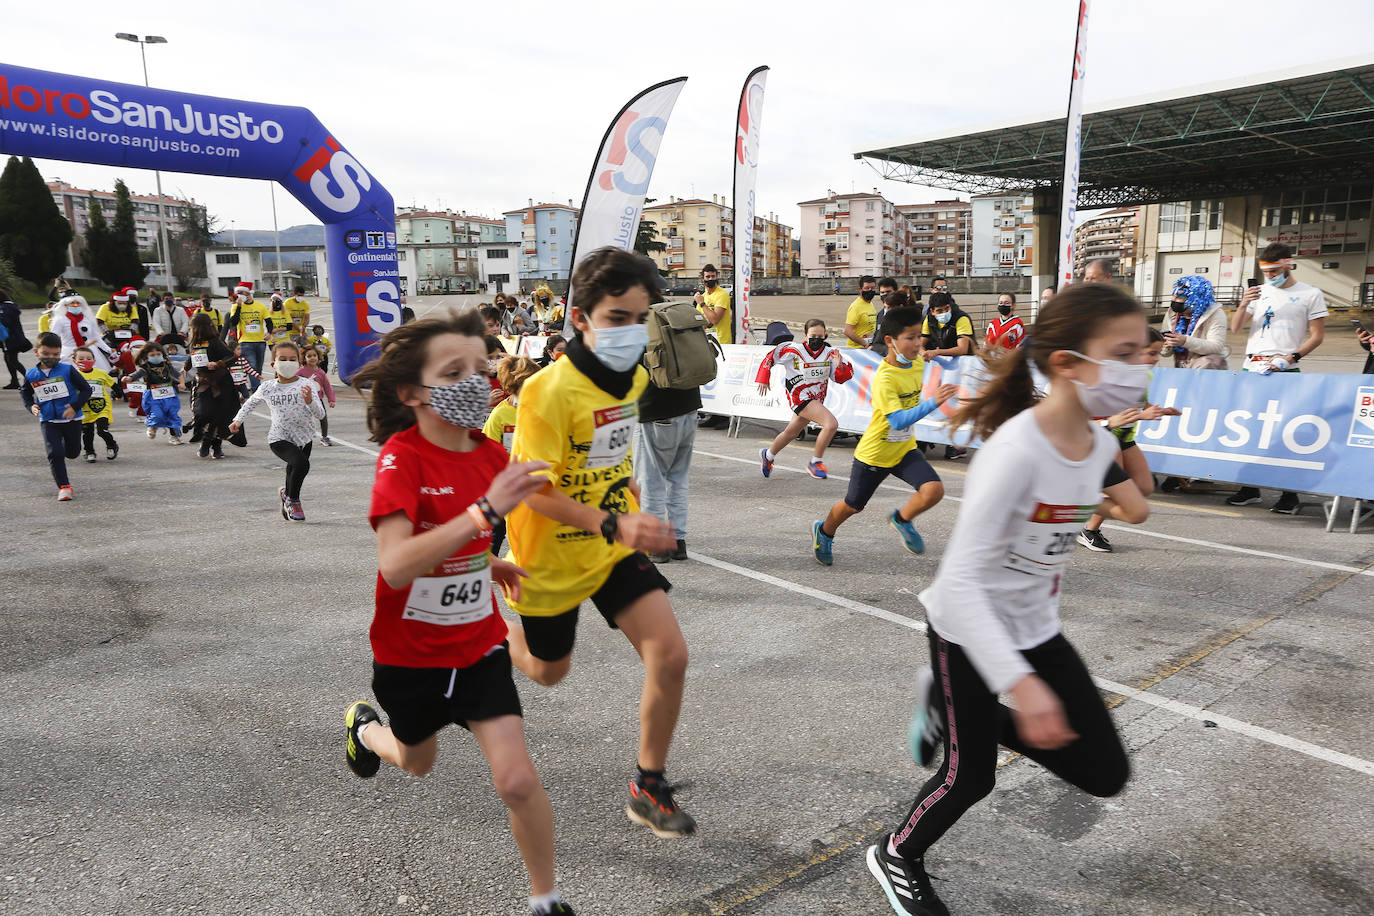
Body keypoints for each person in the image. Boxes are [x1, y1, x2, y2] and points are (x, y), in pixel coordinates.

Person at [868, 283, 1152, 916]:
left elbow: (1139, 504)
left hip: (1035, 628)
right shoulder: (1015, 452)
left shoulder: (1099, 445)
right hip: (966, 628)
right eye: (1126, 354)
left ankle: (948, 707)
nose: (1143, 367)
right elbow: (962, 586)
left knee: (1104, 772)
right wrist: (1023, 690)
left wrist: (1124, 434)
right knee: (969, 777)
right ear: (1067, 364)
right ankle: (896, 853)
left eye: (1144, 351)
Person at [342, 311, 574, 916]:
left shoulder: (491, 456)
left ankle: (545, 902)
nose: (476, 380)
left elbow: (469, 540)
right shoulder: (401, 458)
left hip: (478, 647)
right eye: (455, 372)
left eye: (481, 367)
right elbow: (396, 565)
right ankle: (366, 732)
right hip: (410, 657)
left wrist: (487, 564)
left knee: (517, 780)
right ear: (411, 393)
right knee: (418, 763)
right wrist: (481, 517)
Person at [503, 246, 695, 839]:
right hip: (550, 554)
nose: (631, 332)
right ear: (581, 318)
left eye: (641, 318)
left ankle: (648, 784)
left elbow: (611, 442)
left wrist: (625, 490)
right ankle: (492, 626)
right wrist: (614, 522)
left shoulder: (635, 375)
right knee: (547, 672)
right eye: (617, 318)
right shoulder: (546, 391)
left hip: (610, 543)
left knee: (671, 654)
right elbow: (532, 492)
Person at [812, 307, 958, 567]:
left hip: (903, 449)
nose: (917, 343)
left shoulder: (916, 363)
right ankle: (824, 532)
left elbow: (919, 357)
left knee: (933, 490)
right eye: (910, 338)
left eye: (919, 336)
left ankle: (902, 519)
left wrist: (923, 354)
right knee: (853, 506)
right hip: (874, 454)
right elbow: (899, 420)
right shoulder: (884, 378)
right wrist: (934, 401)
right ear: (890, 341)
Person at [1226, 242, 1326, 514]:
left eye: (1274, 271)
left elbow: (1317, 336)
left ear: (1288, 264)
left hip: (1284, 367)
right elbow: (1236, 329)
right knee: (1250, 429)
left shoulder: (1310, 294)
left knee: (1285, 431)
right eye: (1266, 272)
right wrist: (1244, 302)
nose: (1270, 277)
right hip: (1252, 367)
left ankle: (1288, 493)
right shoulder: (1260, 292)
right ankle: (1250, 488)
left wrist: (1292, 357)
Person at [1076, 329, 1179, 552]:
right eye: (1151, 353)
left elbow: (1140, 403)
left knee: (1143, 487)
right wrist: (1142, 415)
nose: (1155, 359)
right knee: (1119, 495)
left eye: (1158, 354)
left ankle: (1085, 522)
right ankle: (1087, 527)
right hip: (1106, 437)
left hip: (1125, 437)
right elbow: (1089, 417)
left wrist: (1159, 410)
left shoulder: (1145, 376)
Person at [230, 341, 325, 521]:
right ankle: (293, 501)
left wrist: (309, 401)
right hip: (279, 437)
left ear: (299, 363)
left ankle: (286, 494)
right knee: (301, 464)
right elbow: (250, 403)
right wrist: (238, 420)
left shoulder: (306, 385)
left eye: (292, 359)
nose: (288, 363)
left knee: (294, 469)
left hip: (304, 437)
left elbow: (320, 414)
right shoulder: (267, 387)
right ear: (274, 363)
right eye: (283, 359)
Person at [636, 319, 703, 563]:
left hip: (656, 410)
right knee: (678, 477)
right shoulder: (673, 315)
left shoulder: (640, 322)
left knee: (652, 481)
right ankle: (678, 542)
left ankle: (656, 544)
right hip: (689, 405)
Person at [756, 318, 853, 480]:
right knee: (831, 424)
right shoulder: (793, 350)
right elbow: (770, 357)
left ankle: (769, 455)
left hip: (816, 399)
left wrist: (841, 365)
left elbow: (841, 378)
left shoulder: (831, 354)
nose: (816, 340)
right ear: (805, 335)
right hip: (799, 396)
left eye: (820, 337)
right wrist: (763, 377)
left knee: (791, 433)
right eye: (813, 336)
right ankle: (816, 462)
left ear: (826, 336)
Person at [22, 332, 93, 501]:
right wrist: (31, 405)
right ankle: (64, 487)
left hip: (71, 419)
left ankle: (68, 448)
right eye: (46, 354)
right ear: (36, 352)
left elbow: (86, 390)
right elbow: (25, 392)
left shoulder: (67, 370)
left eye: (55, 354)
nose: (51, 358)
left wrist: (75, 407)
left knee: (73, 452)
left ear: (60, 352)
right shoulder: (31, 374)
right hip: (48, 420)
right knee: (54, 453)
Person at [187, 312, 240, 460]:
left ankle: (214, 445)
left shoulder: (215, 341)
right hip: (203, 384)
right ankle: (205, 440)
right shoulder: (194, 343)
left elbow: (231, 356)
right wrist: (185, 367)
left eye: (193, 327)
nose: (191, 330)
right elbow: (192, 357)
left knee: (220, 416)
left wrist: (218, 364)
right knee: (203, 413)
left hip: (221, 384)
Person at [124, 341, 186, 444]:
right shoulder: (145, 368)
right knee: (157, 414)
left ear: (162, 354)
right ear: (146, 356)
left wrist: (182, 383)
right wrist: (128, 378)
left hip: (169, 395)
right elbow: (136, 375)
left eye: (158, 354)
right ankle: (153, 426)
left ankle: (174, 436)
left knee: (172, 415)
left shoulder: (167, 366)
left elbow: (178, 375)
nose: (156, 356)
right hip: (153, 396)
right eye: (152, 355)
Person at [1161, 275, 1228, 369]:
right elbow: (1165, 353)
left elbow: (1216, 347)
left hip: (1205, 371)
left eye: (1179, 297)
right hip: (1180, 369)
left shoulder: (1215, 314)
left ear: (1195, 298)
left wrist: (1185, 341)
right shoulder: (1172, 313)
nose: (1174, 300)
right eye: (1173, 296)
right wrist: (1166, 345)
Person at [72, 346, 119, 462]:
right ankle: (89, 451)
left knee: (101, 430)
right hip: (84, 409)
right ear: (74, 361)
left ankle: (112, 445)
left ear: (94, 360)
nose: (86, 361)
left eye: (89, 359)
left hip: (101, 407)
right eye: (81, 359)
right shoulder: (73, 376)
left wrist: (120, 393)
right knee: (87, 433)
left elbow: (113, 384)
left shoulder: (100, 373)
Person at [50, 294, 115, 373]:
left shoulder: (88, 319)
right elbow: (53, 338)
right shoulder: (60, 320)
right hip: (69, 353)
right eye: (72, 303)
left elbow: (96, 338)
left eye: (78, 303)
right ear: (66, 305)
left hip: (89, 352)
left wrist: (108, 349)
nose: (75, 305)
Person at [227, 282, 271, 388]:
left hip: (260, 341)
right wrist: (238, 307)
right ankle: (256, 389)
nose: (239, 295)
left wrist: (269, 332)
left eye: (241, 293)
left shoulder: (260, 306)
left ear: (248, 293)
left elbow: (269, 321)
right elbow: (233, 322)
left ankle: (255, 386)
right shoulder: (235, 307)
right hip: (245, 341)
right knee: (252, 366)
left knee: (258, 367)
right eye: (237, 293)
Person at [299, 345, 337, 446]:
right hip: (304, 400)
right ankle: (301, 437)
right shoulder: (301, 372)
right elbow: (294, 384)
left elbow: (327, 387)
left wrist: (331, 399)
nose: (312, 358)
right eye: (309, 356)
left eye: (314, 355)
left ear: (319, 357)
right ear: (304, 358)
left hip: (318, 400)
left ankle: (324, 437)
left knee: (323, 417)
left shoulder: (321, 373)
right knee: (304, 419)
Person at [693, 264, 732, 345]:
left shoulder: (722, 294)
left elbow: (715, 320)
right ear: (703, 278)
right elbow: (698, 320)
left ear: (717, 277)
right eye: (708, 277)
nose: (710, 279)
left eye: (713, 276)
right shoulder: (703, 296)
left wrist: (702, 303)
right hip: (706, 341)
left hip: (721, 342)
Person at [1, 286, 31, 388]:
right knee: (8, 359)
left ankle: (30, 380)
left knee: (12, 360)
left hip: (11, 339)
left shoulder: (5, 308)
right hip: (13, 337)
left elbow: (5, 321)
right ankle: (14, 381)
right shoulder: (10, 307)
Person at [844, 275, 879, 348]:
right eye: (867, 288)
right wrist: (865, 343)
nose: (870, 290)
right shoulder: (855, 306)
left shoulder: (870, 304)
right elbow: (848, 331)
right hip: (856, 350)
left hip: (868, 349)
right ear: (860, 289)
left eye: (872, 288)